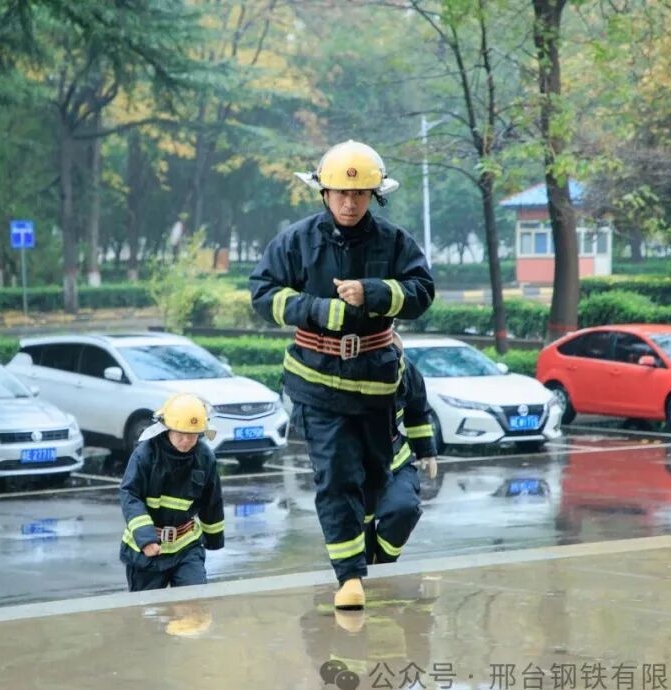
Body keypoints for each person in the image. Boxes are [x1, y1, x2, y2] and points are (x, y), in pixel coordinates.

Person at [250, 140, 435, 611]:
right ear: (324, 193)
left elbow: (422, 291)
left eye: (359, 194)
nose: (349, 203)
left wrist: (374, 292)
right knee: (335, 477)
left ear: (375, 195)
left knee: (372, 480)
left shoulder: (394, 242)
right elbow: (262, 293)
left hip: (375, 384)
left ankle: (371, 559)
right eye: (340, 193)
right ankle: (349, 577)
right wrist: (316, 310)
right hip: (316, 384)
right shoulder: (296, 241)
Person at [118, 393, 225, 591]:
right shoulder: (145, 454)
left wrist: (214, 539)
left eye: (193, 435)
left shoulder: (205, 457)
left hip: (186, 545)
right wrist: (146, 538)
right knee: (148, 608)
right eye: (180, 434)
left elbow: (212, 501)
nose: (187, 440)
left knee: (194, 603)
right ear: (167, 428)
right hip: (147, 549)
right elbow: (130, 495)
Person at [365, 337, 437, 565]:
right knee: (358, 536)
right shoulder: (335, 364)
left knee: (404, 508)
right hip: (351, 466)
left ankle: (383, 562)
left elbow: (417, 409)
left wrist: (426, 451)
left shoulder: (402, 365)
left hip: (394, 460)